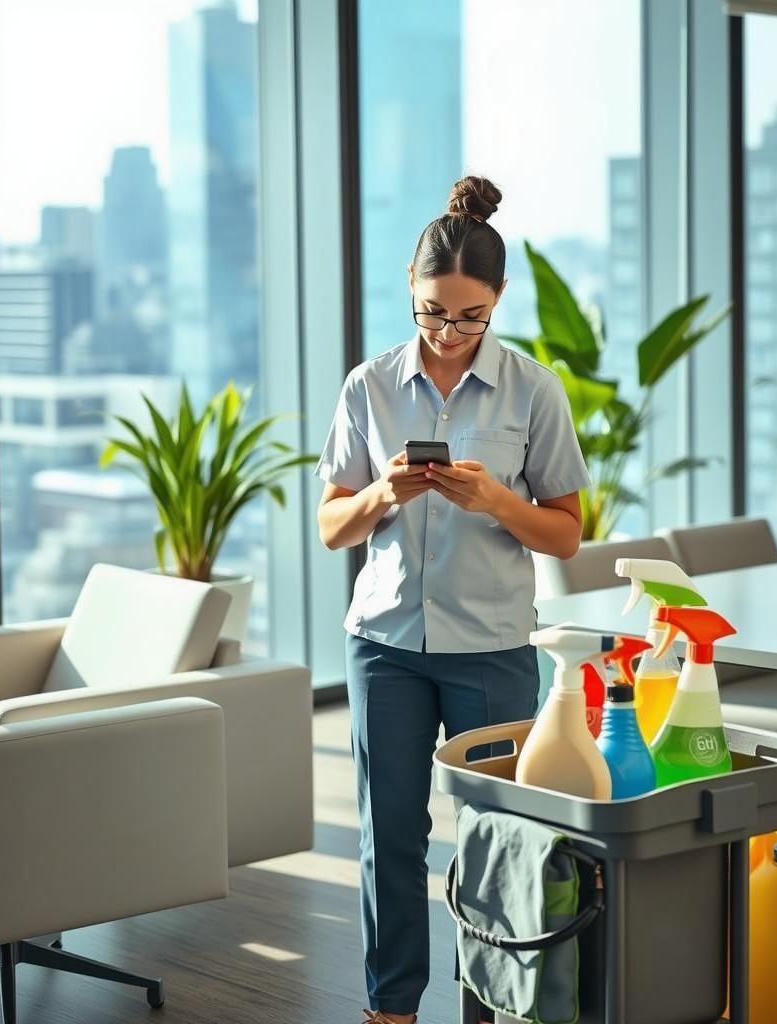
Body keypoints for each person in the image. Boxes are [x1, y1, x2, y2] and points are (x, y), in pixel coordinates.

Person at [316, 175, 591, 1024]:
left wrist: (498, 503)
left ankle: (497, 1007)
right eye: (432, 312)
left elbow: (567, 533)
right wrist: (383, 495)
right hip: (386, 646)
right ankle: (390, 1008)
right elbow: (333, 526)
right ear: (411, 287)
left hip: (492, 649)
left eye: (469, 316)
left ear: (498, 300)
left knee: (500, 842)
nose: (447, 332)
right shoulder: (369, 387)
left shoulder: (534, 391)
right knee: (389, 837)